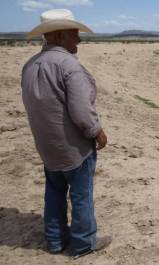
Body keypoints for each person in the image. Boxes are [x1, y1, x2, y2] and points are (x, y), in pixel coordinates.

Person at [21, 9, 111, 259]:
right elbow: (81, 109)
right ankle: (84, 244)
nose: (79, 40)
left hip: (46, 145)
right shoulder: (68, 65)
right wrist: (97, 131)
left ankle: (55, 240)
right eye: (74, 34)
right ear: (60, 36)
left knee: (54, 193)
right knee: (82, 196)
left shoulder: (30, 65)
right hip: (73, 147)